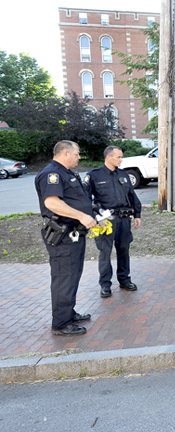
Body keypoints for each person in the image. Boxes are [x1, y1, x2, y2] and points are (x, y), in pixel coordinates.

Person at [35, 140, 97, 336]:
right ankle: (61, 324)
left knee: (73, 276)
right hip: (63, 236)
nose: (79, 157)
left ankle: (68, 313)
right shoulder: (51, 174)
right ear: (65, 154)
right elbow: (52, 202)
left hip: (74, 233)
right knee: (64, 278)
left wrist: (91, 215)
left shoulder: (66, 173)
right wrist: (81, 216)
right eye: (77, 154)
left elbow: (78, 201)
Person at [85, 146, 142, 298]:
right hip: (106, 221)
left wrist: (137, 214)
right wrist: (94, 217)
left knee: (124, 250)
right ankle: (105, 285)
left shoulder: (123, 174)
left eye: (121, 157)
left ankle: (124, 280)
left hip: (123, 219)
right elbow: (85, 199)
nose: (121, 159)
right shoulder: (94, 175)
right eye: (118, 157)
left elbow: (132, 195)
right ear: (108, 157)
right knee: (105, 252)